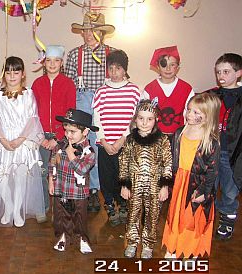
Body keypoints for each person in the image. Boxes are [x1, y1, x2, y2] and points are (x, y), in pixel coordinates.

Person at [0, 56, 45, 227]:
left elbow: (33, 118)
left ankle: (17, 210)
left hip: (23, 142)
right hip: (4, 141)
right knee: (1, 180)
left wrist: (20, 139)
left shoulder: (29, 94)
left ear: (23, 74)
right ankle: (8, 207)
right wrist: (2, 139)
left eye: (16, 72)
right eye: (8, 72)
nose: (12, 76)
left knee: (20, 178)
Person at [65, 12, 115, 212]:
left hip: (105, 101)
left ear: (101, 33)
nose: (88, 34)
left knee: (101, 145)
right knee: (85, 145)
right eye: (85, 30)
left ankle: (102, 190)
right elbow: (68, 85)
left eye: (92, 30)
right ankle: (88, 189)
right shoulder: (74, 54)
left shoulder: (112, 53)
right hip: (82, 100)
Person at [162, 93, 221, 259]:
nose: (190, 115)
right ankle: (174, 246)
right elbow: (171, 159)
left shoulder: (211, 141)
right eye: (189, 110)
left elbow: (212, 171)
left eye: (197, 112)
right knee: (175, 216)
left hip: (197, 185)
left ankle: (191, 251)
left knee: (193, 219)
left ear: (208, 115)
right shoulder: (180, 132)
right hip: (180, 181)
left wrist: (204, 191)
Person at [91, 49, 141, 226]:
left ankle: (123, 204)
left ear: (125, 70)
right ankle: (110, 205)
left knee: (124, 175)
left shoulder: (134, 91)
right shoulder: (101, 91)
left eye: (118, 68)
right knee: (106, 177)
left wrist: (122, 140)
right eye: (110, 68)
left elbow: (136, 119)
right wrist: (104, 141)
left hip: (125, 144)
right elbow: (96, 118)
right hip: (104, 144)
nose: (114, 72)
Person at [119, 99, 172, 259]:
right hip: (134, 185)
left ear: (156, 120)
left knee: (152, 215)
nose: (144, 122)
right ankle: (133, 242)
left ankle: (148, 244)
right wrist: (124, 184)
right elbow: (124, 162)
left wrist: (164, 185)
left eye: (149, 119)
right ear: (135, 119)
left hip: (155, 187)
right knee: (133, 215)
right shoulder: (130, 139)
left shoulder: (162, 140)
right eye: (141, 118)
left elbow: (168, 162)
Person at [32, 45, 76, 222]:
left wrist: (59, 137)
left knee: (61, 172)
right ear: (44, 62)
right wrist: (40, 136)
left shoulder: (68, 84)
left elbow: (70, 112)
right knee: (42, 171)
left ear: (61, 62)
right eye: (48, 61)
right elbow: (32, 112)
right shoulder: (37, 84)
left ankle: (61, 208)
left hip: (62, 136)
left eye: (56, 61)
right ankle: (43, 206)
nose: (52, 64)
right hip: (41, 136)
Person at [49, 109, 97, 254]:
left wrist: (72, 156)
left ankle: (82, 238)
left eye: (72, 131)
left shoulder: (89, 151)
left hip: (78, 191)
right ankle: (62, 237)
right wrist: (51, 180)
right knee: (60, 215)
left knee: (79, 216)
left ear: (85, 132)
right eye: (66, 130)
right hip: (60, 188)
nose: (68, 135)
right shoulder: (59, 146)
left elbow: (82, 169)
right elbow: (52, 163)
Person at [209, 53, 242, 240]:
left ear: (238, 73)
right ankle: (207, 217)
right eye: (218, 72)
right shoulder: (212, 95)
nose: (221, 75)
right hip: (212, 151)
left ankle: (227, 221)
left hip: (233, 154)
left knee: (230, 190)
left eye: (226, 71)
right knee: (210, 187)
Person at [142, 46, 195, 139]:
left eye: (172, 65)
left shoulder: (186, 89)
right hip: (154, 138)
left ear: (178, 66)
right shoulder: (149, 89)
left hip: (180, 137)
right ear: (158, 66)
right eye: (164, 65)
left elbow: (192, 115)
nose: (168, 68)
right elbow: (143, 114)